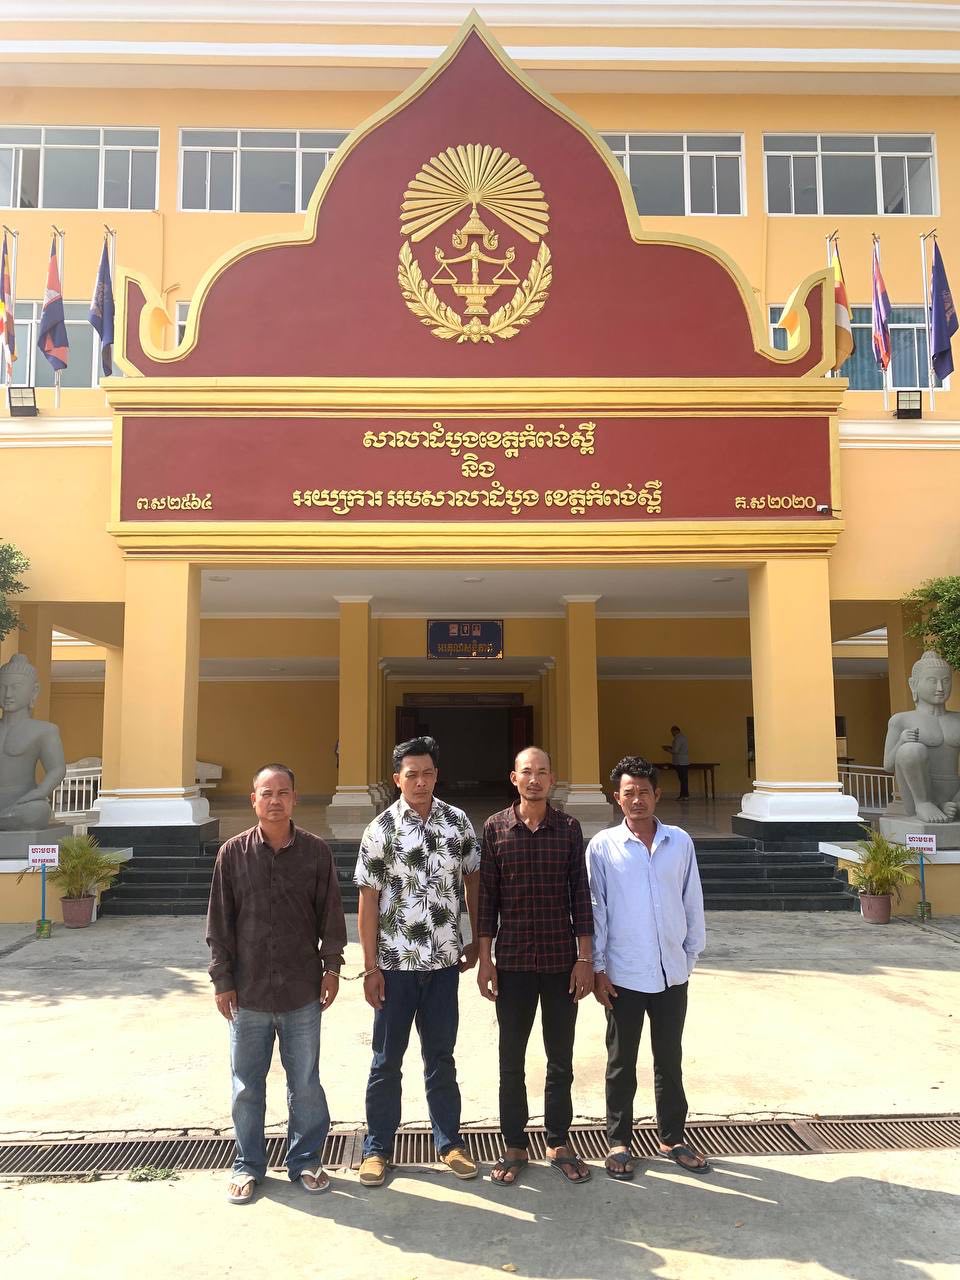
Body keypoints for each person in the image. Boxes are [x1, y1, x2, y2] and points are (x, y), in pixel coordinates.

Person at [206, 763, 346, 1204]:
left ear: (294, 799)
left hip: (301, 990)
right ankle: (247, 1164)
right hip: (247, 993)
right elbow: (219, 924)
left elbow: (331, 916)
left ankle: (305, 1160)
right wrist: (222, 979)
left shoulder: (316, 853)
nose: (274, 801)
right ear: (254, 800)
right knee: (247, 1085)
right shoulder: (232, 854)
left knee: (304, 1083)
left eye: (282, 792)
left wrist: (332, 968)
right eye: (266, 793)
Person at [354, 735, 481, 1187]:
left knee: (441, 1058)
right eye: (412, 775)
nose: (421, 782)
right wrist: (370, 967)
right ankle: (377, 1149)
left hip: (444, 966)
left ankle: (450, 1143)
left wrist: (476, 940)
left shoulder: (457, 823)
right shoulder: (381, 830)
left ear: (436, 775)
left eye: (428, 773)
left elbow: (473, 880)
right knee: (386, 1061)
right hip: (395, 968)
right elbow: (368, 902)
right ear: (397, 779)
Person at [586, 755, 708, 1181]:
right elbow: (596, 910)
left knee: (669, 1059)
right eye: (628, 793)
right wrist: (599, 967)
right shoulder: (603, 847)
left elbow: (692, 899)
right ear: (616, 798)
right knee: (621, 1062)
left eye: (644, 792)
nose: (637, 799)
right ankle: (619, 1141)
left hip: (672, 972)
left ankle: (672, 1137)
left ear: (657, 794)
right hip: (624, 974)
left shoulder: (680, 842)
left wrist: (689, 956)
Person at [478, 746, 594, 1187]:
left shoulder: (568, 829)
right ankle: (514, 1144)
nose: (534, 779)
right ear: (514, 778)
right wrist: (485, 960)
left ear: (552, 779)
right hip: (512, 963)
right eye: (527, 772)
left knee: (560, 1058)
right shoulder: (495, 828)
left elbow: (580, 895)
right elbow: (487, 900)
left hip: (561, 961)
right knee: (511, 1059)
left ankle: (558, 1141)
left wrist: (584, 958)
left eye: (542, 772)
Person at [883, 650, 960, 822]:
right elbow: (888, 765)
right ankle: (924, 804)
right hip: (920, 792)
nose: (940, 688)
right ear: (914, 684)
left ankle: (952, 805)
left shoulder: (958, 719)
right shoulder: (901, 720)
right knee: (911, 749)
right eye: (932, 681)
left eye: (946, 681)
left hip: (954, 791)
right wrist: (901, 741)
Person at [0, 653, 66, 830]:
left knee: (37, 811)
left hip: (22, 801)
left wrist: (41, 791)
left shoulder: (44, 730)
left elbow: (57, 769)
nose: (8, 694)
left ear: (34, 691)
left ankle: (7, 818)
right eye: (3, 687)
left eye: (16, 688)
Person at [661, 725, 690, 800]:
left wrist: (667, 749)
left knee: (683, 779)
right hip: (684, 761)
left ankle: (684, 795)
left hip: (680, 762)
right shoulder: (683, 737)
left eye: (672, 732)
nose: (672, 734)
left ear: (675, 731)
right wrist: (670, 747)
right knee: (684, 779)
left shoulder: (678, 738)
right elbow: (679, 749)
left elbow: (675, 751)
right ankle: (684, 795)